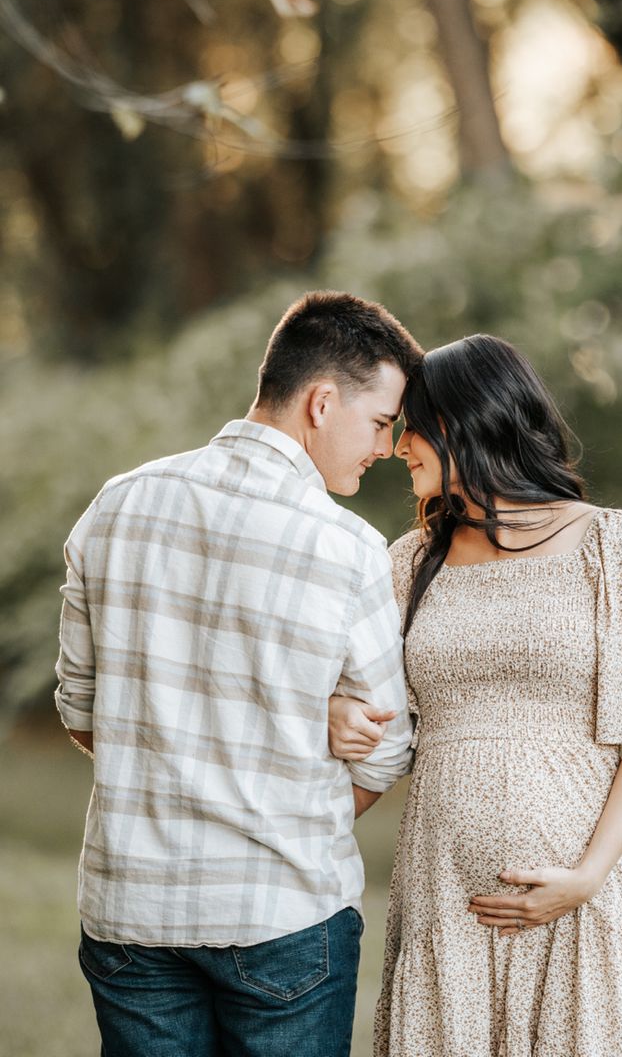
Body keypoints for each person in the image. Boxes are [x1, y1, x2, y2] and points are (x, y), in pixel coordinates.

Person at [54, 290, 423, 1057]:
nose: (386, 448)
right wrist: (288, 803)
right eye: (382, 423)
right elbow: (388, 747)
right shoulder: (347, 549)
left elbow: (82, 711)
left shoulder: (116, 507)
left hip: (133, 913)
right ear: (322, 402)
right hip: (282, 916)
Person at [329, 333, 622, 1057]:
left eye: (414, 425)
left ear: (468, 421)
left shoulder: (613, 544)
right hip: (443, 902)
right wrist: (339, 713)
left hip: (576, 904)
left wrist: (586, 877)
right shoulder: (407, 562)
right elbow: (369, 705)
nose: (399, 446)